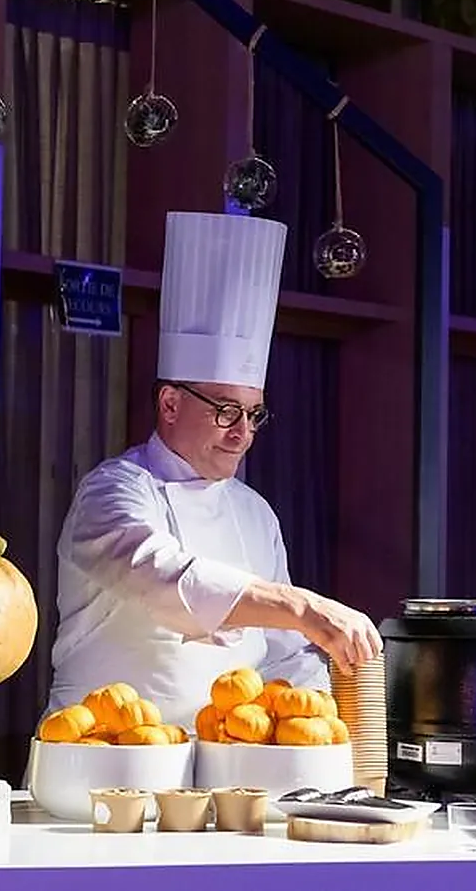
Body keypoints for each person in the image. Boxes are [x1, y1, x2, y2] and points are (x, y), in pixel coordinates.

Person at [45, 211, 383, 730]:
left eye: (254, 415)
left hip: (229, 767)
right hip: (102, 754)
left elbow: (284, 656)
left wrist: (322, 718)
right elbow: (164, 576)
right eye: (226, 411)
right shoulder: (112, 491)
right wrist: (300, 605)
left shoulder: (254, 513)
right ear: (171, 403)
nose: (242, 433)